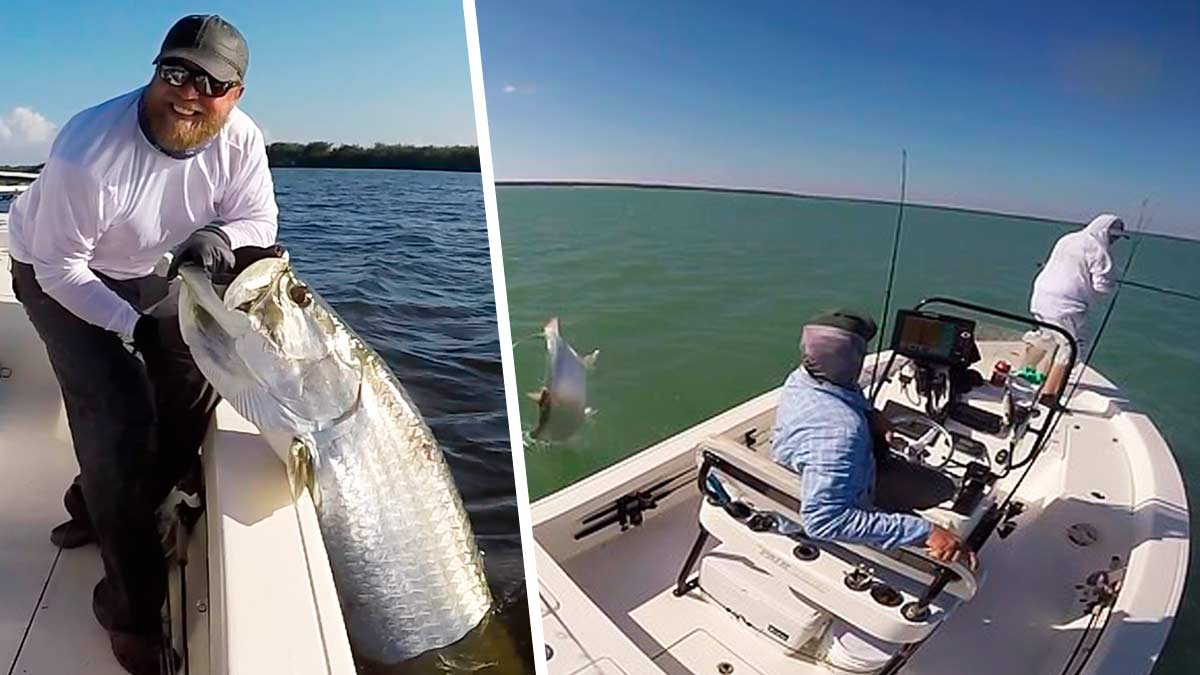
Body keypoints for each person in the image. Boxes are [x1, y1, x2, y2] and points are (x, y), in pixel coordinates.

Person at [6, 15, 276, 675]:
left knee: (186, 403)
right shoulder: (87, 150)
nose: (188, 92)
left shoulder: (241, 141)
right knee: (116, 422)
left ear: (235, 94)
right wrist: (133, 330)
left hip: (143, 269)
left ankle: (93, 504)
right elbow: (59, 271)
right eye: (175, 72)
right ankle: (126, 610)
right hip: (53, 273)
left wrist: (221, 238)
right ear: (155, 71)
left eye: (210, 82)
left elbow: (258, 219)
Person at [771, 310, 966, 563]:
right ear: (853, 359)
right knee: (946, 502)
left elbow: (840, 389)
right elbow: (824, 522)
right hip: (828, 518)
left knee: (940, 487)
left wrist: (870, 414)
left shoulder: (802, 379)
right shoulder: (841, 434)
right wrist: (927, 532)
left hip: (807, 479)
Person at [1030, 214, 1128, 360]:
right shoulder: (1098, 249)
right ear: (1103, 232)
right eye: (1113, 236)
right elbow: (1103, 286)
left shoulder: (1068, 238)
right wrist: (1111, 282)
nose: (1114, 240)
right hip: (1066, 306)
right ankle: (1056, 383)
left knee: (1046, 337)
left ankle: (1026, 373)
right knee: (1072, 349)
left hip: (1040, 297)